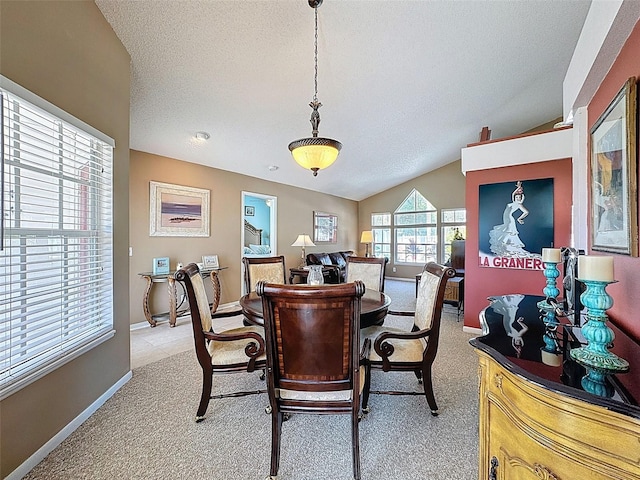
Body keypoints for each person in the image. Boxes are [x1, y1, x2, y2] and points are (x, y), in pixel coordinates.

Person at [488, 181, 531, 257]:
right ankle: (505, 250)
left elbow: (526, 212)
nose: (517, 198)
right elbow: (513, 194)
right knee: (505, 232)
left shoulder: (519, 204)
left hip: (510, 220)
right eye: (516, 197)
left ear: (521, 199)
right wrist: (518, 187)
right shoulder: (513, 202)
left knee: (508, 233)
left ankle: (508, 250)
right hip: (506, 219)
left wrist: (519, 218)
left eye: (519, 198)